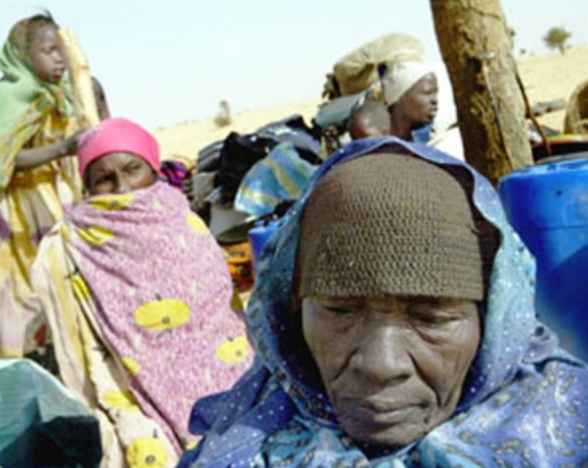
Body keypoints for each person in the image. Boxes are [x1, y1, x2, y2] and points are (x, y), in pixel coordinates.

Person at [180, 138, 588, 466]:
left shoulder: (566, 426)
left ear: (494, 321)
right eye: (340, 311)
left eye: (431, 317)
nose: (381, 365)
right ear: (289, 312)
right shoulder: (246, 435)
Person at [29, 117, 253, 467]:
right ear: (87, 187)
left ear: (153, 168)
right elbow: (86, 344)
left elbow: (224, 313)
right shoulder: (71, 246)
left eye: (132, 169)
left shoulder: (183, 221)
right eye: (104, 178)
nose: (122, 187)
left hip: (230, 376)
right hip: (141, 397)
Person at [0, 13, 109, 358]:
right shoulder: (7, 95)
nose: (59, 58)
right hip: (20, 211)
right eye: (48, 50)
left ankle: (67, 355)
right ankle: (19, 363)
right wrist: (61, 148)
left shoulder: (63, 92)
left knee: (66, 279)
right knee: (20, 290)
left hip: (60, 201)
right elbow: (2, 160)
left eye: (62, 50)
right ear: (24, 55)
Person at [381, 62, 438, 142]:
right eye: (427, 93)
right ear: (400, 96)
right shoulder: (377, 147)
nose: (435, 100)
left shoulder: (434, 143)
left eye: (435, 93)